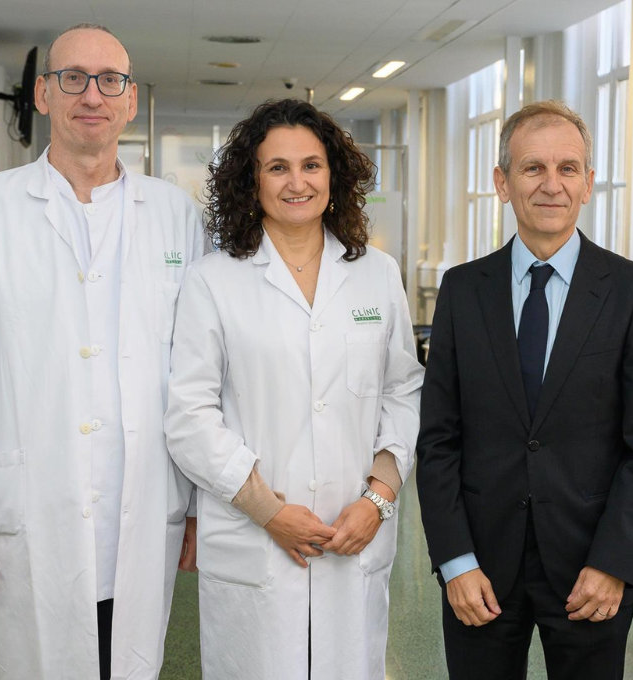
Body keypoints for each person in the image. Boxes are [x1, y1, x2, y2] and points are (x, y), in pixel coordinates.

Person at [0, 24, 204, 680]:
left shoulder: (176, 217)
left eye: (110, 81)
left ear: (129, 98)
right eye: (73, 78)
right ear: (42, 94)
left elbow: (198, 371)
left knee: (128, 663)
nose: (91, 95)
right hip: (25, 513)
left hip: (144, 508)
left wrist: (202, 507)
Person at [164, 98, 423, 680]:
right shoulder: (214, 280)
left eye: (311, 165)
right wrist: (269, 511)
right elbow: (189, 416)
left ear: (334, 175)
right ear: (250, 180)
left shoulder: (376, 275)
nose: (296, 182)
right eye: (276, 167)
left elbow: (403, 392)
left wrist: (378, 499)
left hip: (352, 533)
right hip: (256, 539)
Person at [415, 100, 633, 679]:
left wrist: (615, 562)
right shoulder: (462, 291)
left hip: (590, 572)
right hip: (479, 570)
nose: (551, 185)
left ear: (588, 185)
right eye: (533, 168)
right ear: (502, 182)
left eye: (568, 169)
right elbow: (438, 440)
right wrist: (454, 560)